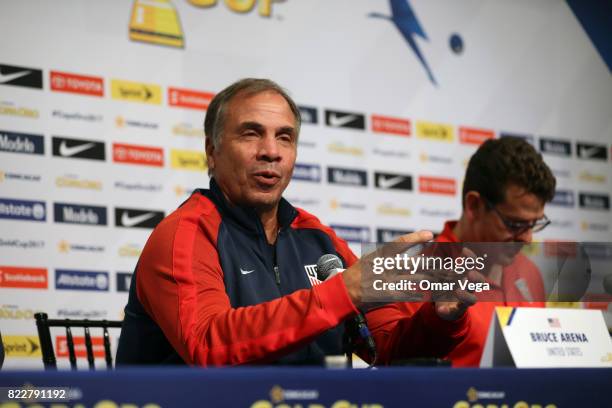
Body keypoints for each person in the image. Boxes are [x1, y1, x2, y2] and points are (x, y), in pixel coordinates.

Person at [116, 78, 472, 366]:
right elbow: (209, 344)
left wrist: (440, 319)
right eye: (251, 133)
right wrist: (341, 293)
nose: (271, 150)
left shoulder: (316, 237)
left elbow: (386, 347)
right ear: (212, 151)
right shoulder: (185, 234)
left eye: (284, 137)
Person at [366, 137, 556, 366]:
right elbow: (396, 373)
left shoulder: (529, 272)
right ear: (474, 205)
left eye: (534, 224)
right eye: (515, 225)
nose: (528, 238)